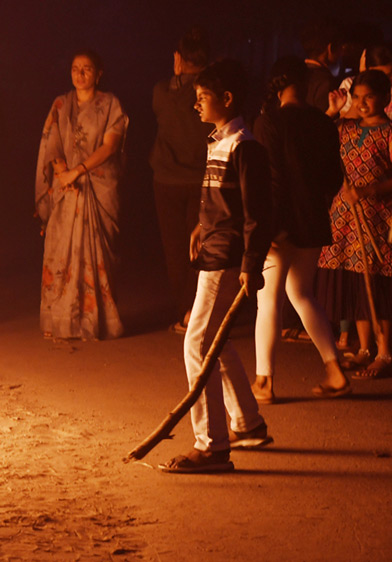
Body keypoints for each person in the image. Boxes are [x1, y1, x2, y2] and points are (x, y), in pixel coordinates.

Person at [160, 59, 273, 474]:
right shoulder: (219, 142)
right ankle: (247, 424)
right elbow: (223, 202)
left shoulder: (246, 147)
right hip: (214, 248)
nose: (197, 105)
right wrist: (199, 226)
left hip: (227, 258)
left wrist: (250, 263)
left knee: (196, 343)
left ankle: (211, 446)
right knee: (214, 342)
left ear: (227, 99)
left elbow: (258, 213)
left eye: (203, 98)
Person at [250, 57, 349, 402]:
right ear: (304, 84)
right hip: (311, 220)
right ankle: (335, 371)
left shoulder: (269, 122)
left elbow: (271, 179)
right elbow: (334, 177)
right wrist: (316, 204)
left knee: (269, 301)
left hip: (281, 224)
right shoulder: (322, 123)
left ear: (277, 84)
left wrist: (270, 227)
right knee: (302, 294)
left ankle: (264, 382)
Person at [35, 51, 127, 340]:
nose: (80, 74)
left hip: (98, 189)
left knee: (97, 253)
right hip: (67, 189)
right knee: (60, 251)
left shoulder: (110, 104)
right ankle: (61, 320)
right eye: (75, 69)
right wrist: (64, 173)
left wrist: (79, 171)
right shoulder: (60, 104)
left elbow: (110, 146)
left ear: (98, 73)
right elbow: (53, 144)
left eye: (87, 69)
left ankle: (94, 322)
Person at [318, 70, 392, 379]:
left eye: (369, 97)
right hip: (345, 215)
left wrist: (367, 191)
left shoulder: (389, 133)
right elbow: (314, 133)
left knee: (377, 282)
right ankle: (364, 349)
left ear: (386, 99)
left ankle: (385, 353)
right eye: (357, 97)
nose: (362, 104)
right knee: (356, 282)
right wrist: (333, 111)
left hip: (377, 215)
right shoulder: (345, 128)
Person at [150, 28, 212, 332]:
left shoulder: (163, 92)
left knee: (174, 248)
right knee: (197, 245)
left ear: (179, 58)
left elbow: (164, 106)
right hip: (199, 179)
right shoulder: (209, 95)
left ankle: (184, 311)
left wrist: (178, 77)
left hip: (166, 180)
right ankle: (192, 311)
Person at [302, 19, 342, 112]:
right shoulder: (326, 82)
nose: (342, 52)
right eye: (341, 46)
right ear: (330, 48)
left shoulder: (295, 75)